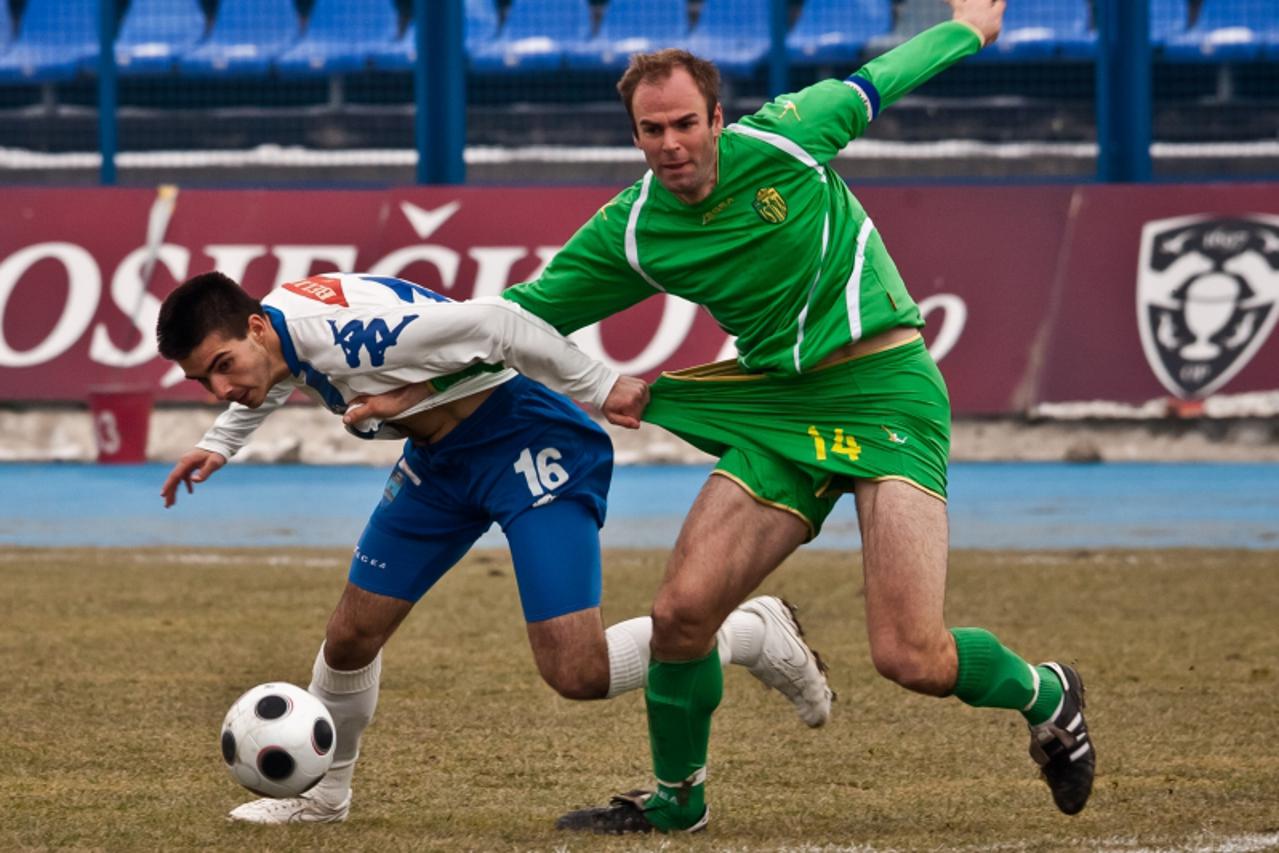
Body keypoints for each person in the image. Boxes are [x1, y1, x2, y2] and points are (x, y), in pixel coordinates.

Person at [496, 0, 1092, 832]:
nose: (669, 145)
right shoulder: (633, 229)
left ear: (716, 118)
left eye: (682, 125)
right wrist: (394, 365)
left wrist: (971, 29)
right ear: (633, 135)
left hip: (885, 390)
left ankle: (1046, 692)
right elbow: (517, 316)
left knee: (908, 654)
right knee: (680, 614)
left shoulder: (785, 136)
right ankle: (678, 800)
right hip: (777, 406)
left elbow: (878, 79)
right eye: (649, 131)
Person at [155, 271, 834, 825]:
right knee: (351, 634)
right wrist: (219, 440)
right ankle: (325, 795)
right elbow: (267, 375)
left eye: (221, 367)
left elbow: (497, 326)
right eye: (203, 382)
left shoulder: (349, 338)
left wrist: (598, 388)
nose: (220, 388)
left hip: (529, 440)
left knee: (577, 671)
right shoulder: (276, 332)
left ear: (254, 326)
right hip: (440, 462)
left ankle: (749, 630)